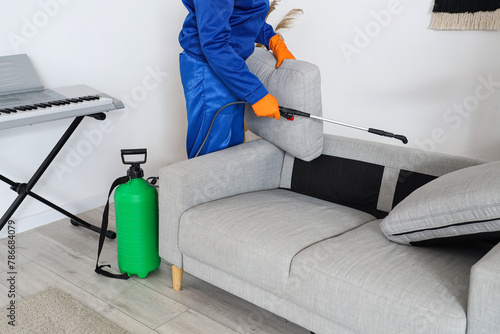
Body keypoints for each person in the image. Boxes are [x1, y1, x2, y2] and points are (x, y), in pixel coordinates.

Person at [179, 0, 295, 158]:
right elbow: (214, 44)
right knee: (210, 157)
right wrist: (257, 94)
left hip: (231, 66)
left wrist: (272, 40)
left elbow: (243, 15)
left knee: (233, 151)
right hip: (210, 69)